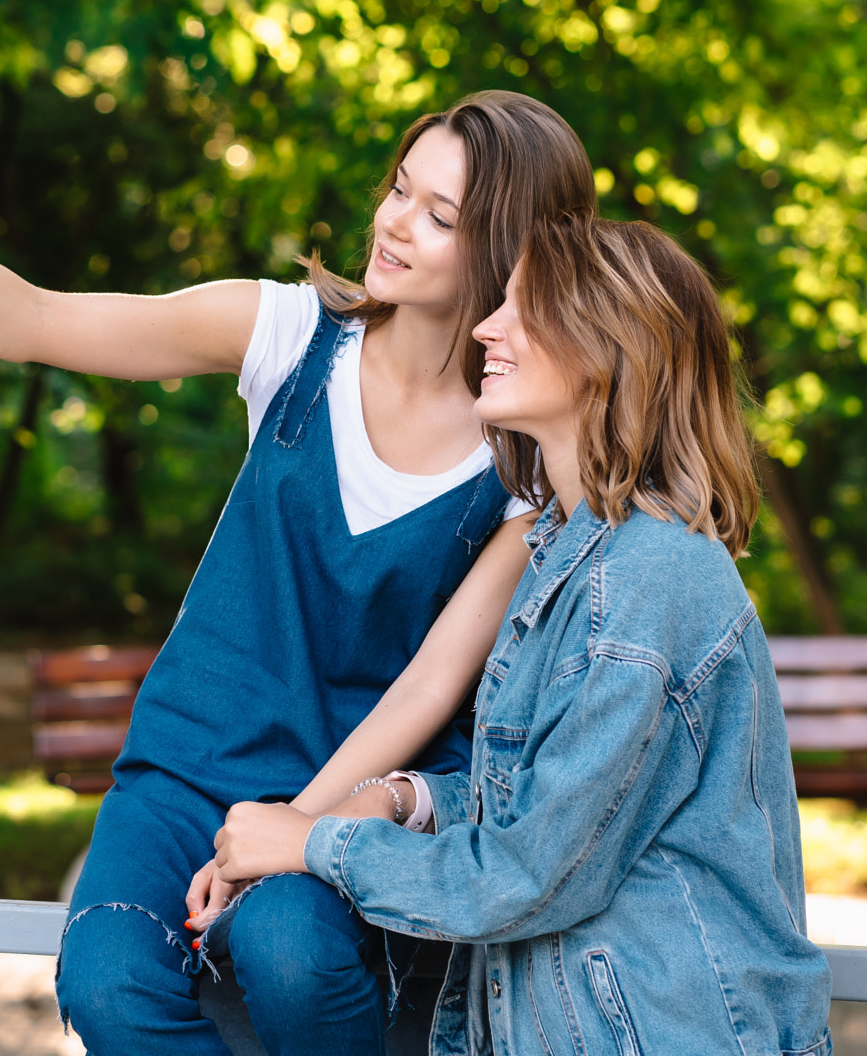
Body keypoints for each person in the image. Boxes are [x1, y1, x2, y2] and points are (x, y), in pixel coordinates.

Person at [0, 90, 596, 1054]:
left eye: (440, 216)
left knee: (293, 956)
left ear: (512, 253)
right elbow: (32, 321)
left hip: (349, 797)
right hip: (185, 771)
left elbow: (434, 684)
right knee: (106, 983)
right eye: (400, 189)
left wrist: (292, 828)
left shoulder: (520, 451)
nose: (394, 222)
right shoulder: (288, 335)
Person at [211, 215, 833, 1056]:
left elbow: (531, 872)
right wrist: (408, 797)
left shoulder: (645, 576)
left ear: (605, 349)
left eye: (522, 311)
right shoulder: (574, 556)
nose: (483, 329)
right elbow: (554, 802)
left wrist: (313, 839)